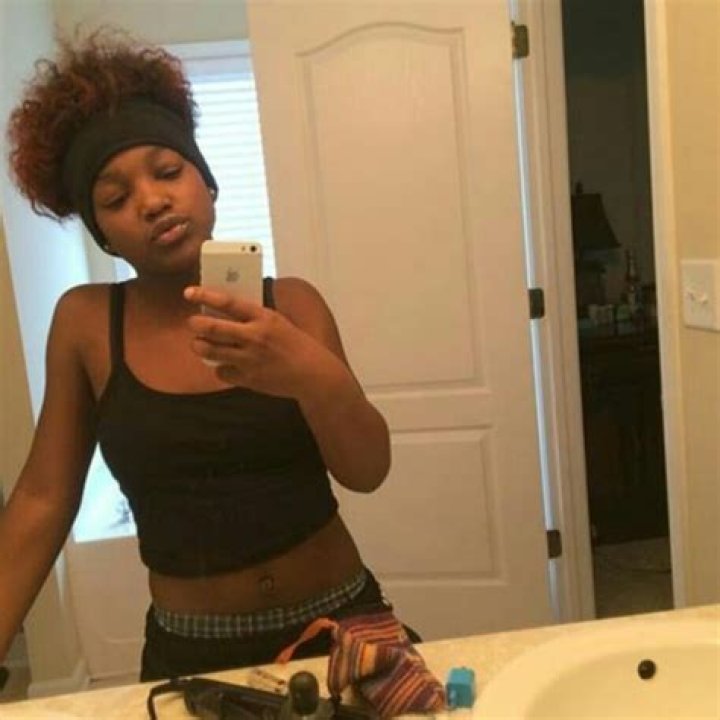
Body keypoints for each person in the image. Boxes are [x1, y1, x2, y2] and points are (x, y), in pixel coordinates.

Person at [0, 28, 413, 682]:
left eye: (168, 172)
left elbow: (367, 470)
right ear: (103, 233)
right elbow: (42, 498)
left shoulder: (293, 305)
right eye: (115, 198)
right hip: (193, 651)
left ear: (208, 184)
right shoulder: (85, 323)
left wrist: (309, 374)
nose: (152, 201)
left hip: (343, 625)